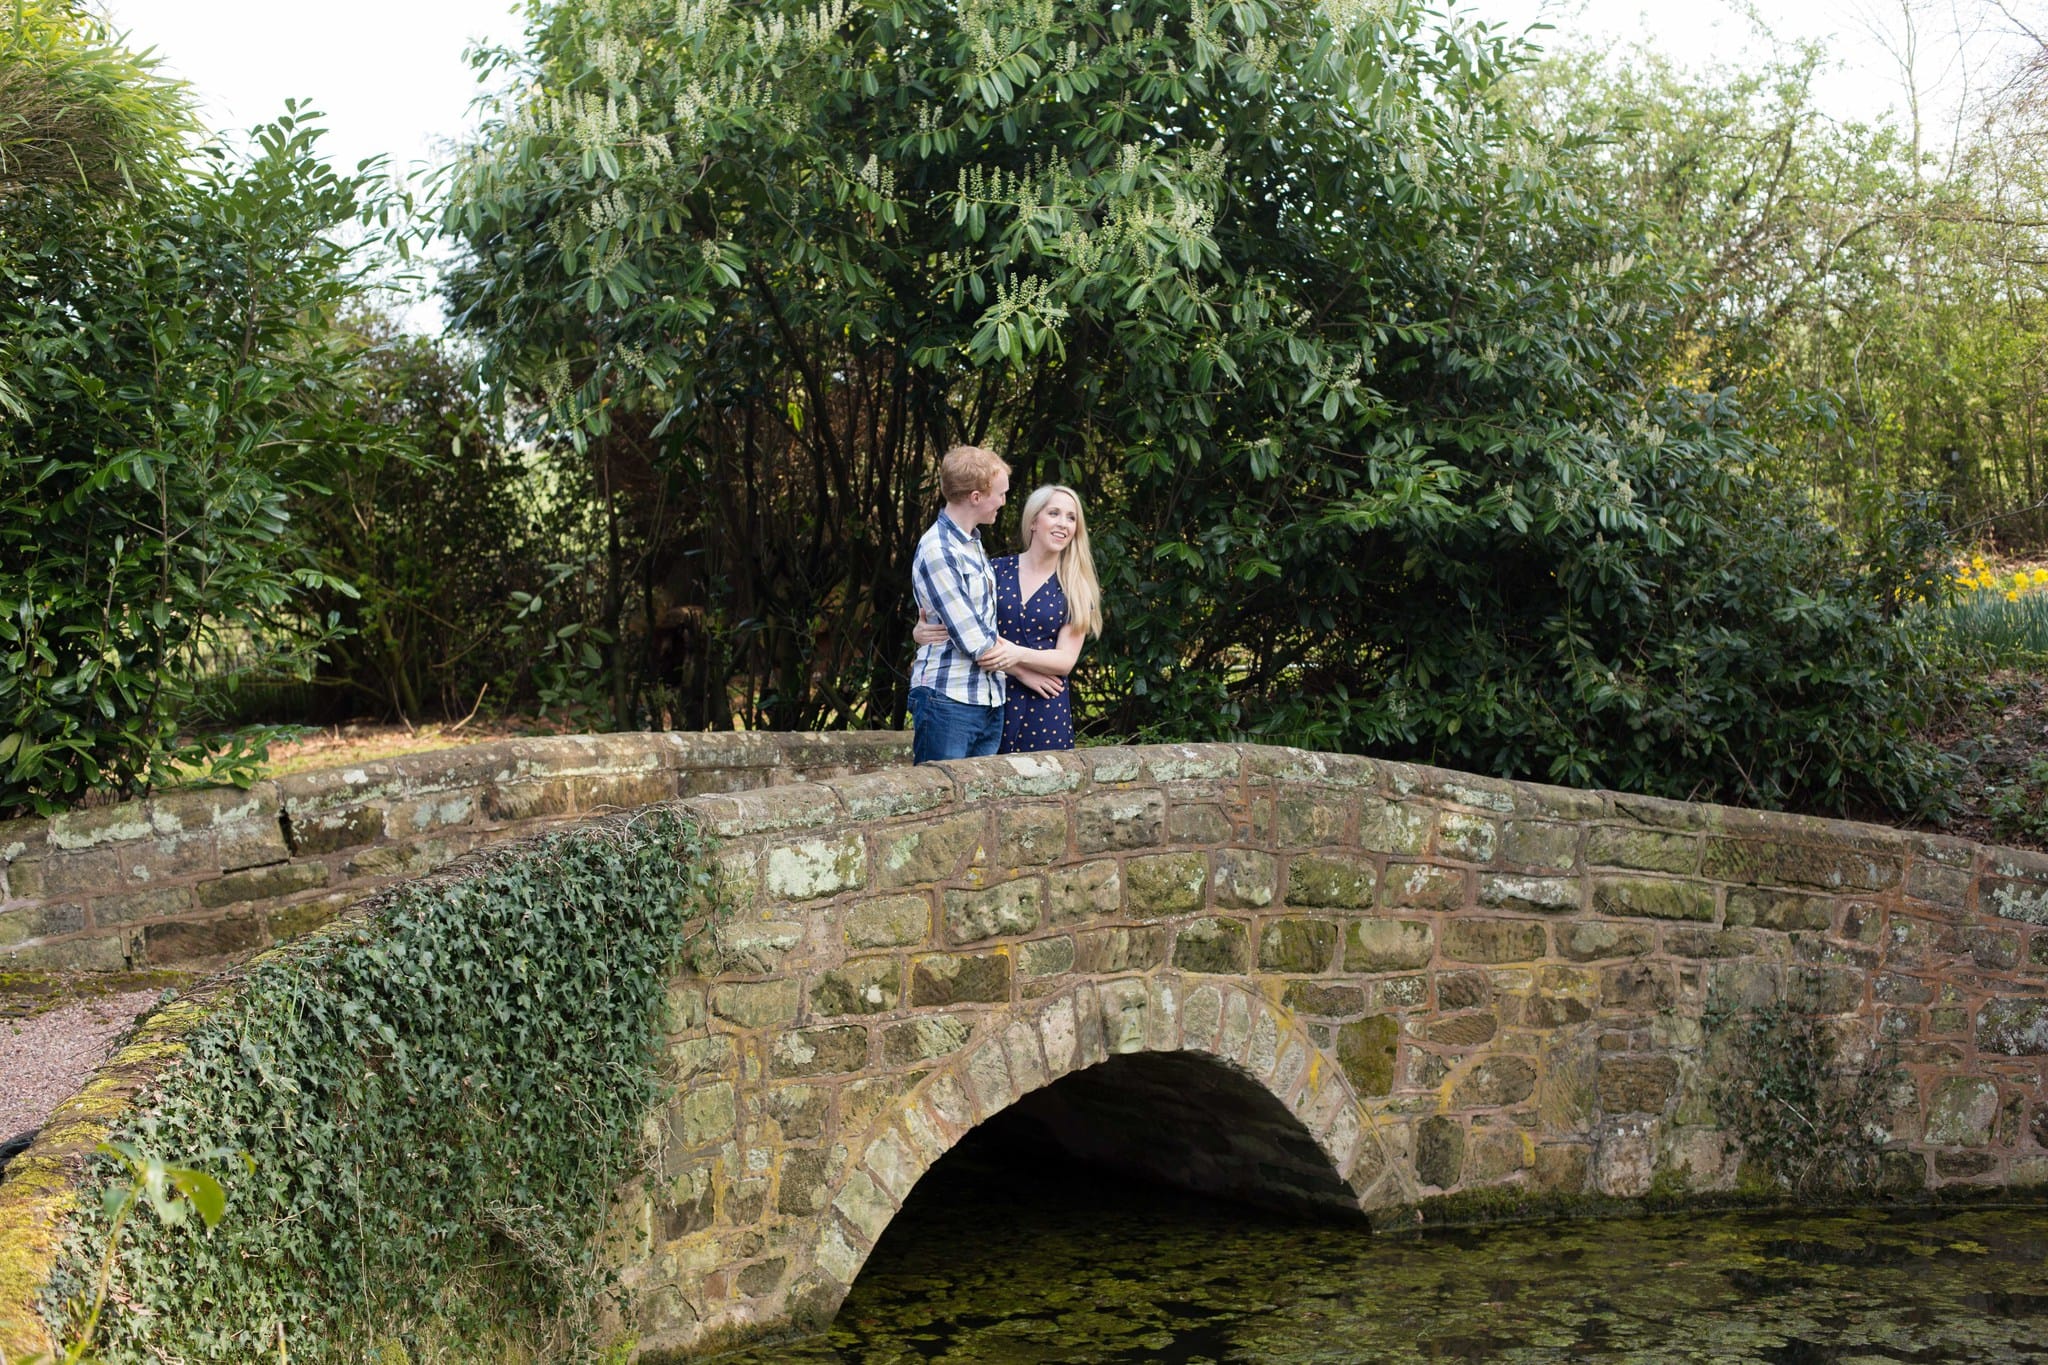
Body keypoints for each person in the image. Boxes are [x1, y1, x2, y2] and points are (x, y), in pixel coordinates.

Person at [915, 483, 1103, 753]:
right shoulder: (996, 571)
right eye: (1054, 513)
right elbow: (962, 623)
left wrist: (1017, 655)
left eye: (1071, 518)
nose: (1063, 524)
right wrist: (922, 630)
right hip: (990, 699)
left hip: (1045, 705)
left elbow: (1065, 660)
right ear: (1034, 520)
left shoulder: (1076, 587)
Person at [908, 445, 1018, 763]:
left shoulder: (971, 544)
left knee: (978, 810)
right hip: (948, 700)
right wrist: (1028, 669)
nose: (1003, 501)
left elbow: (982, 623)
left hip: (986, 699)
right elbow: (976, 642)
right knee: (942, 808)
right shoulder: (939, 550)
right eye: (999, 494)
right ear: (976, 497)